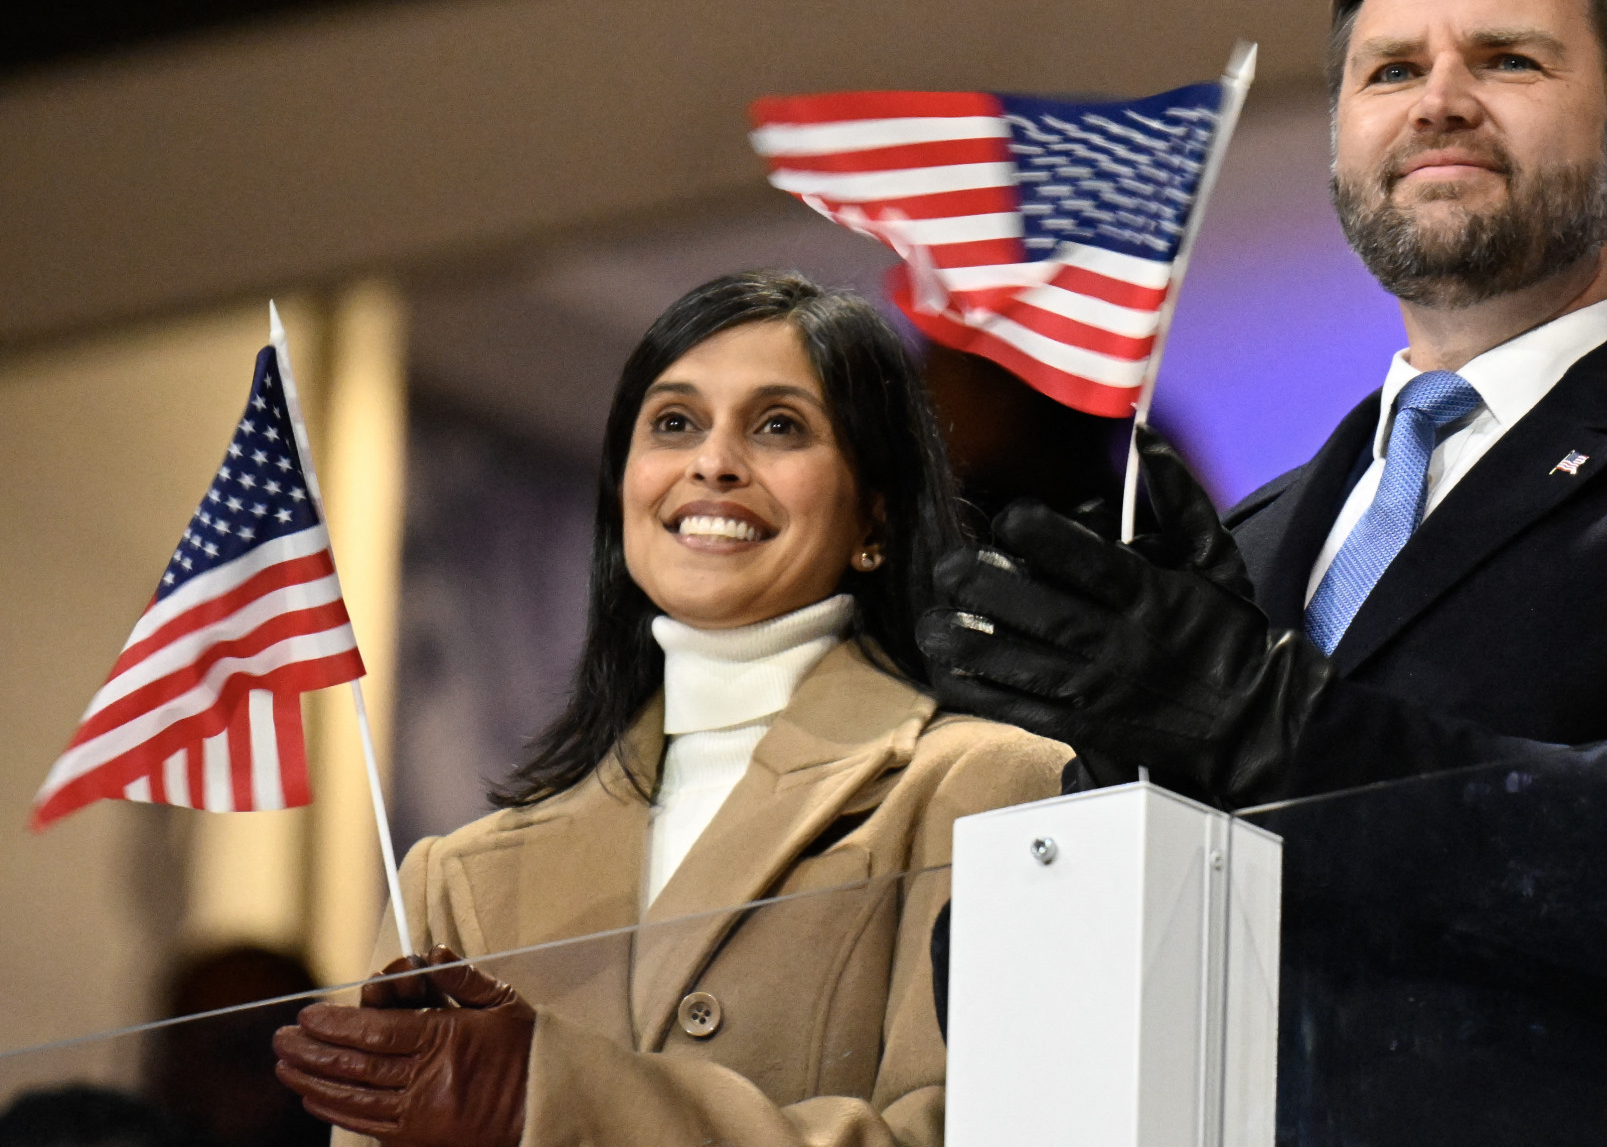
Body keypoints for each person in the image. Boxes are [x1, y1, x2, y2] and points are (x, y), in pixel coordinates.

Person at [917, 0, 1607, 1145]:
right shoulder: (1248, 544)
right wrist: (1134, 771)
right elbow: (995, 994)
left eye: (1506, 59)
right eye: (1391, 70)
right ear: (1344, 150)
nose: (1438, 99)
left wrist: (1259, 719)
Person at [271, 271, 1069, 1147]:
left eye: (779, 425)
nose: (713, 462)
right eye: (675, 423)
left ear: (875, 516)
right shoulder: (451, 881)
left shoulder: (992, 786)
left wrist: (551, 1098)